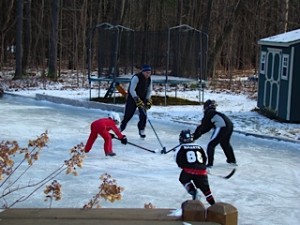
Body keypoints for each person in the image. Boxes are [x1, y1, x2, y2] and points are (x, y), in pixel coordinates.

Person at [174, 129, 215, 206]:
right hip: (201, 171)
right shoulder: (199, 146)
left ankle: (194, 192)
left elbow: (177, 159)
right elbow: (204, 158)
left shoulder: (180, 147)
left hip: (188, 171)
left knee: (183, 179)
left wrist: (183, 166)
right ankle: (214, 206)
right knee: (207, 191)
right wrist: (202, 167)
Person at [193, 99, 237, 168]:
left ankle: (210, 164)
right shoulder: (214, 113)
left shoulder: (209, 113)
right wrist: (197, 135)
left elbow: (203, 127)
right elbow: (207, 127)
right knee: (225, 143)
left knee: (211, 145)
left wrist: (195, 136)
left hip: (222, 126)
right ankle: (232, 160)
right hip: (229, 126)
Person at [120, 64, 153, 138]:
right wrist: (136, 98)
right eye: (146, 72)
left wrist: (148, 99)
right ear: (143, 72)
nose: (148, 74)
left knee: (143, 115)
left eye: (149, 72)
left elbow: (149, 90)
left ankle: (141, 129)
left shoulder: (150, 79)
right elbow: (132, 90)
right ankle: (121, 128)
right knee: (128, 115)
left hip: (143, 98)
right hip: (132, 98)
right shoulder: (136, 77)